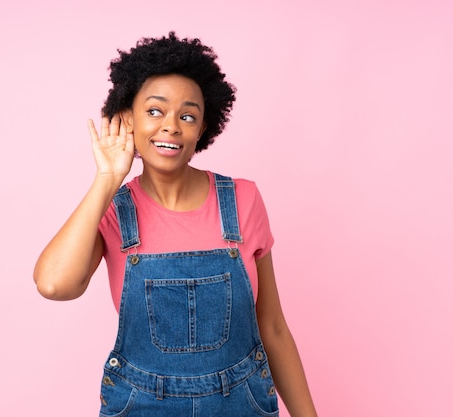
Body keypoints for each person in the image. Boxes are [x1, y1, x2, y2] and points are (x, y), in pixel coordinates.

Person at [34, 32, 317, 417]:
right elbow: (54, 284)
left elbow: (273, 327)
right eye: (154, 111)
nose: (171, 126)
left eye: (187, 116)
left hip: (241, 403)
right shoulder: (113, 210)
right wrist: (106, 179)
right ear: (126, 119)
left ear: (202, 129)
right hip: (142, 405)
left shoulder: (243, 200)